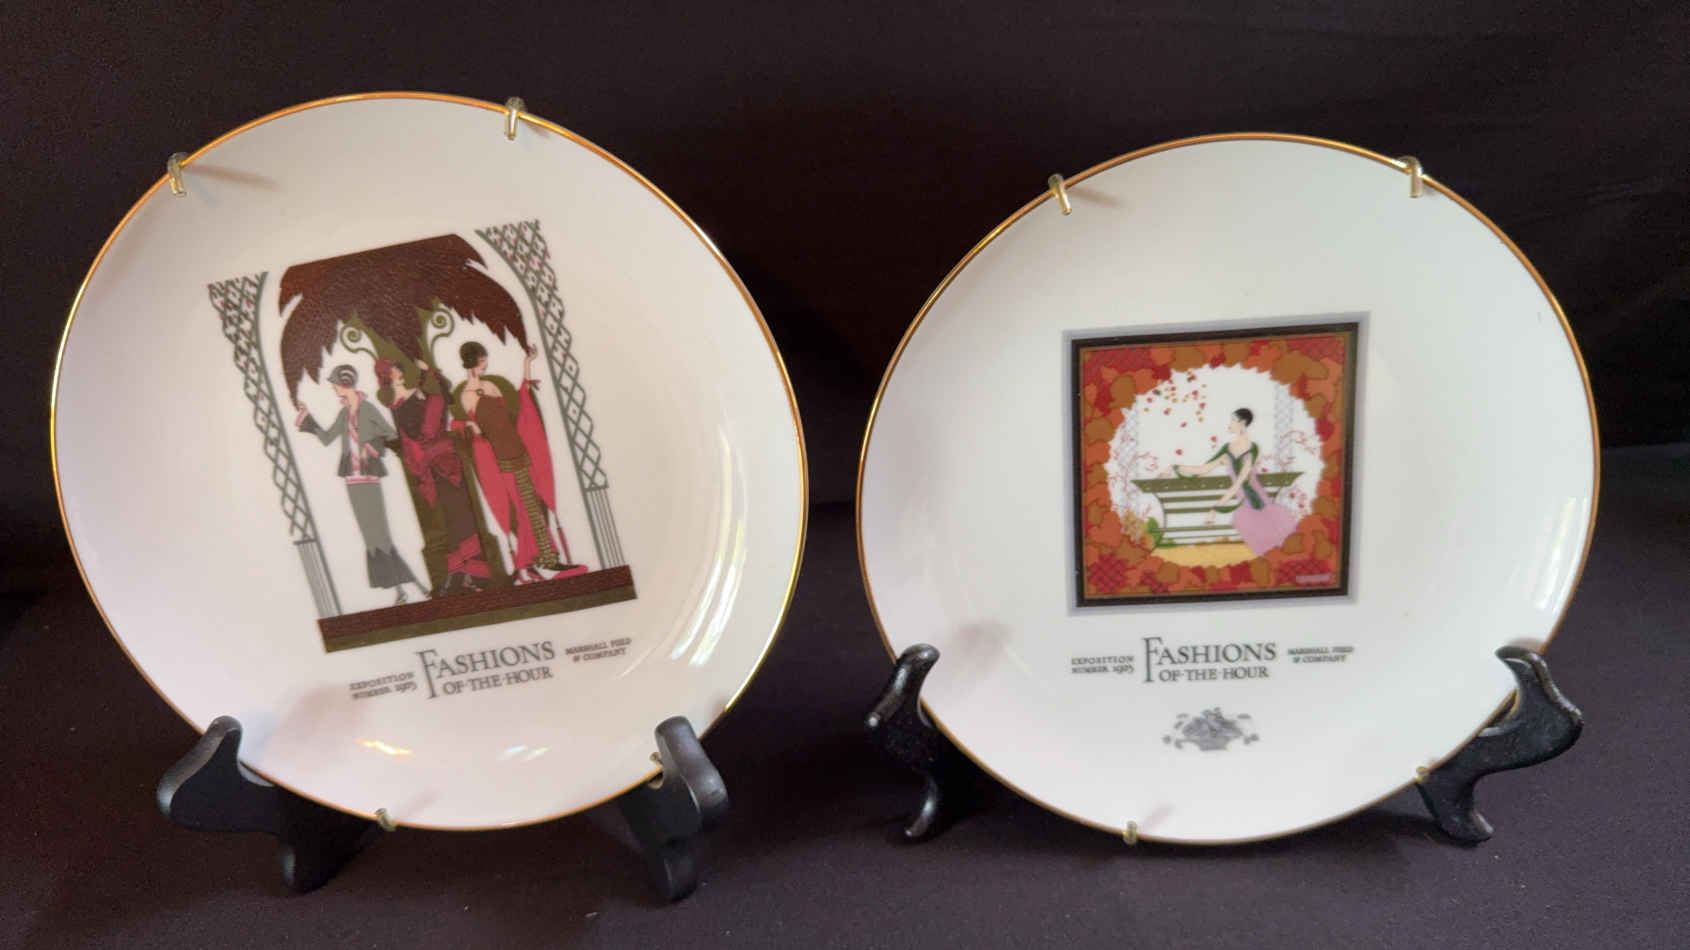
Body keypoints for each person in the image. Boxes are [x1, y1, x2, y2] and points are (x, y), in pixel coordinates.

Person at [296, 364, 427, 605]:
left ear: (344, 383)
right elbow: (327, 438)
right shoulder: (344, 413)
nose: (334, 388)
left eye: (335, 383)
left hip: (369, 477)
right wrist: (308, 418)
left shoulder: (367, 409)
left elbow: (390, 434)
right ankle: (400, 590)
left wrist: (370, 447)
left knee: (382, 534)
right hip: (352, 480)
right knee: (371, 538)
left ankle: (414, 586)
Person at [452, 341, 581, 583]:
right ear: (473, 360)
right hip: (502, 458)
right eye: (482, 358)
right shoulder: (466, 395)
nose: (485, 362)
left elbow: (519, 402)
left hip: (518, 450)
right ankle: (538, 561)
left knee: (532, 507)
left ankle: (531, 563)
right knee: (524, 511)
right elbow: (474, 428)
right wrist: (470, 425)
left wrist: (527, 364)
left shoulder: (491, 385)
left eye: (485, 358)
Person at [375, 357, 498, 596]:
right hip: (428, 469)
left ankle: (476, 575)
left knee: (461, 518)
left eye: (396, 370)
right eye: (390, 371)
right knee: (449, 522)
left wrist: (428, 371)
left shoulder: (418, 394)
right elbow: (408, 439)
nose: (395, 374)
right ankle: (458, 575)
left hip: (445, 464)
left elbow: (442, 394)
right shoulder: (395, 404)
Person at [1162, 408, 1298, 556]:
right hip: (1246, 504)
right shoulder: (1227, 449)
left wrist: (1215, 509)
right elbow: (1203, 469)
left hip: (1258, 503)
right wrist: (1174, 467)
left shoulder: (1251, 449)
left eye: (1233, 420)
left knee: (1274, 546)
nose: (1230, 424)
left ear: (1242, 422)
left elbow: (1239, 483)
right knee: (1269, 549)